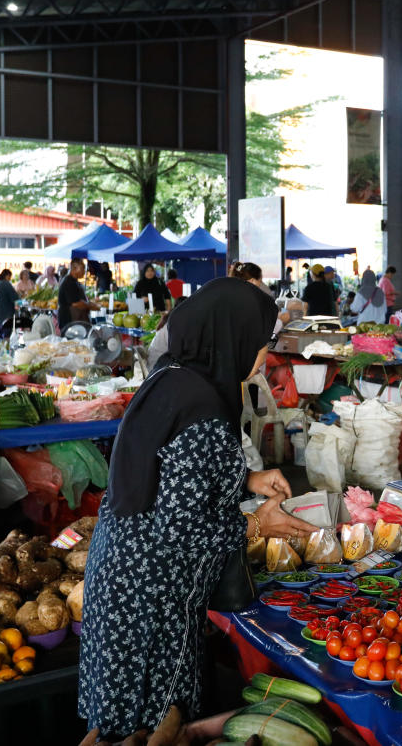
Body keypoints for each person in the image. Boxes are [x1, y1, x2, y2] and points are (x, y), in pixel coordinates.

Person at [78, 278, 316, 737]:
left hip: (119, 571)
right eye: (261, 341)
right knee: (147, 725)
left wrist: (245, 478)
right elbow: (182, 529)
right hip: (153, 597)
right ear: (232, 338)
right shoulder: (205, 409)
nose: (265, 355)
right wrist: (255, 524)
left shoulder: (171, 379)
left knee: (114, 721)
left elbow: (169, 474)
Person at [58, 258, 100, 328]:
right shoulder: (69, 282)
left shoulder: (74, 282)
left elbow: (78, 299)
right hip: (71, 322)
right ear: (74, 268)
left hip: (78, 321)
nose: (84, 271)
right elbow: (76, 303)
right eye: (83, 268)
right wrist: (91, 306)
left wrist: (88, 302)